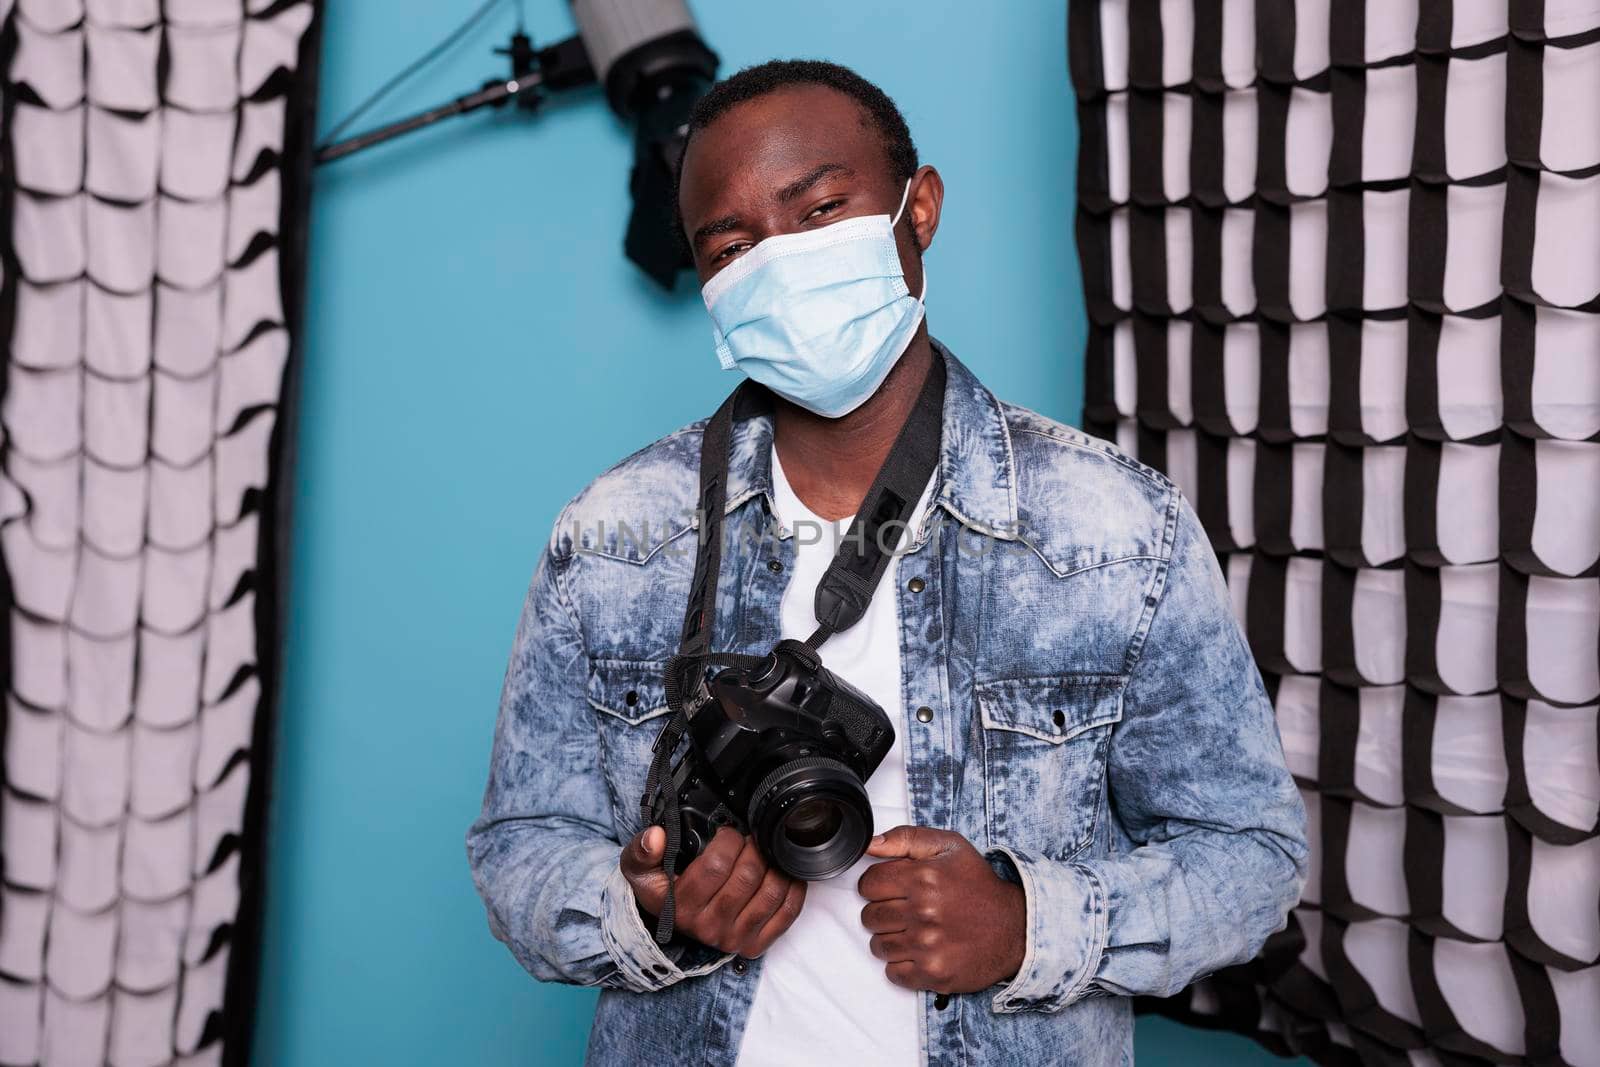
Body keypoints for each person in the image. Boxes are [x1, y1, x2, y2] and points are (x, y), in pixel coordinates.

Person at [467, 59, 1307, 1067]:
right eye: (731, 246)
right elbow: (519, 844)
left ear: (920, 209)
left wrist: (1026, 924)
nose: (780, 262)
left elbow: (1253, 859)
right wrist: (650, 909)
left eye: (821, 210)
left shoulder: (1118, 527)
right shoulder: (610, 537)